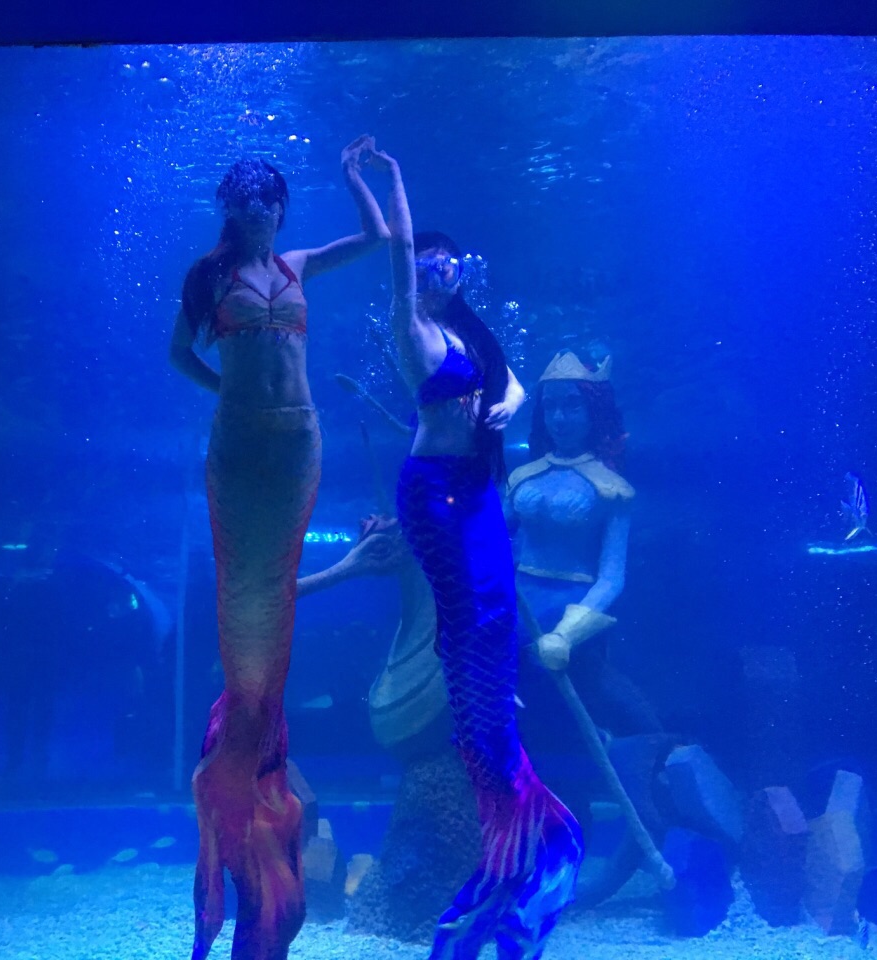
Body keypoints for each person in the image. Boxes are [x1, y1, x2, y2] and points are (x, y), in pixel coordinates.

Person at [169, 138, 388, 960]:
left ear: (280, 210)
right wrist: (225, 389)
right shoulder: (209, 275)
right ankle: (235, 753)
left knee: (277, 581)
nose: (256, 212)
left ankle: (257, 755)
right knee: (243, 589)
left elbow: (376, 240)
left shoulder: (297, 265)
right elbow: (179, 352)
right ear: (229, 210)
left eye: (267, 201)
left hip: (298, 441)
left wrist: (356, 177)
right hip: (239, 441)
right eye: (243, 202)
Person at [367, 144, 583, 960]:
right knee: (464, 618)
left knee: (497, 614)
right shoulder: (412, 324)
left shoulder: (473, 332)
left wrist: (504, 411)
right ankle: (495, 764)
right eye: (427, 265)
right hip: (433, 493)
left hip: (480, 491)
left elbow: (514, 384)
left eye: (448, 265)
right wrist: (387, 177)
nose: (438, 273)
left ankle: (503, 748)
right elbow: (397, 249)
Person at [507, 350, 661, 748]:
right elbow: (497, 542)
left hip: (571, 607)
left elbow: (611, 578)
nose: (559, 418)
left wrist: (566, 634)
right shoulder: (523, 477)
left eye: (572, 406)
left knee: (563, 691)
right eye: (550, 407)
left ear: (594, 410)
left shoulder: (612, 489)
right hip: (513, 599)